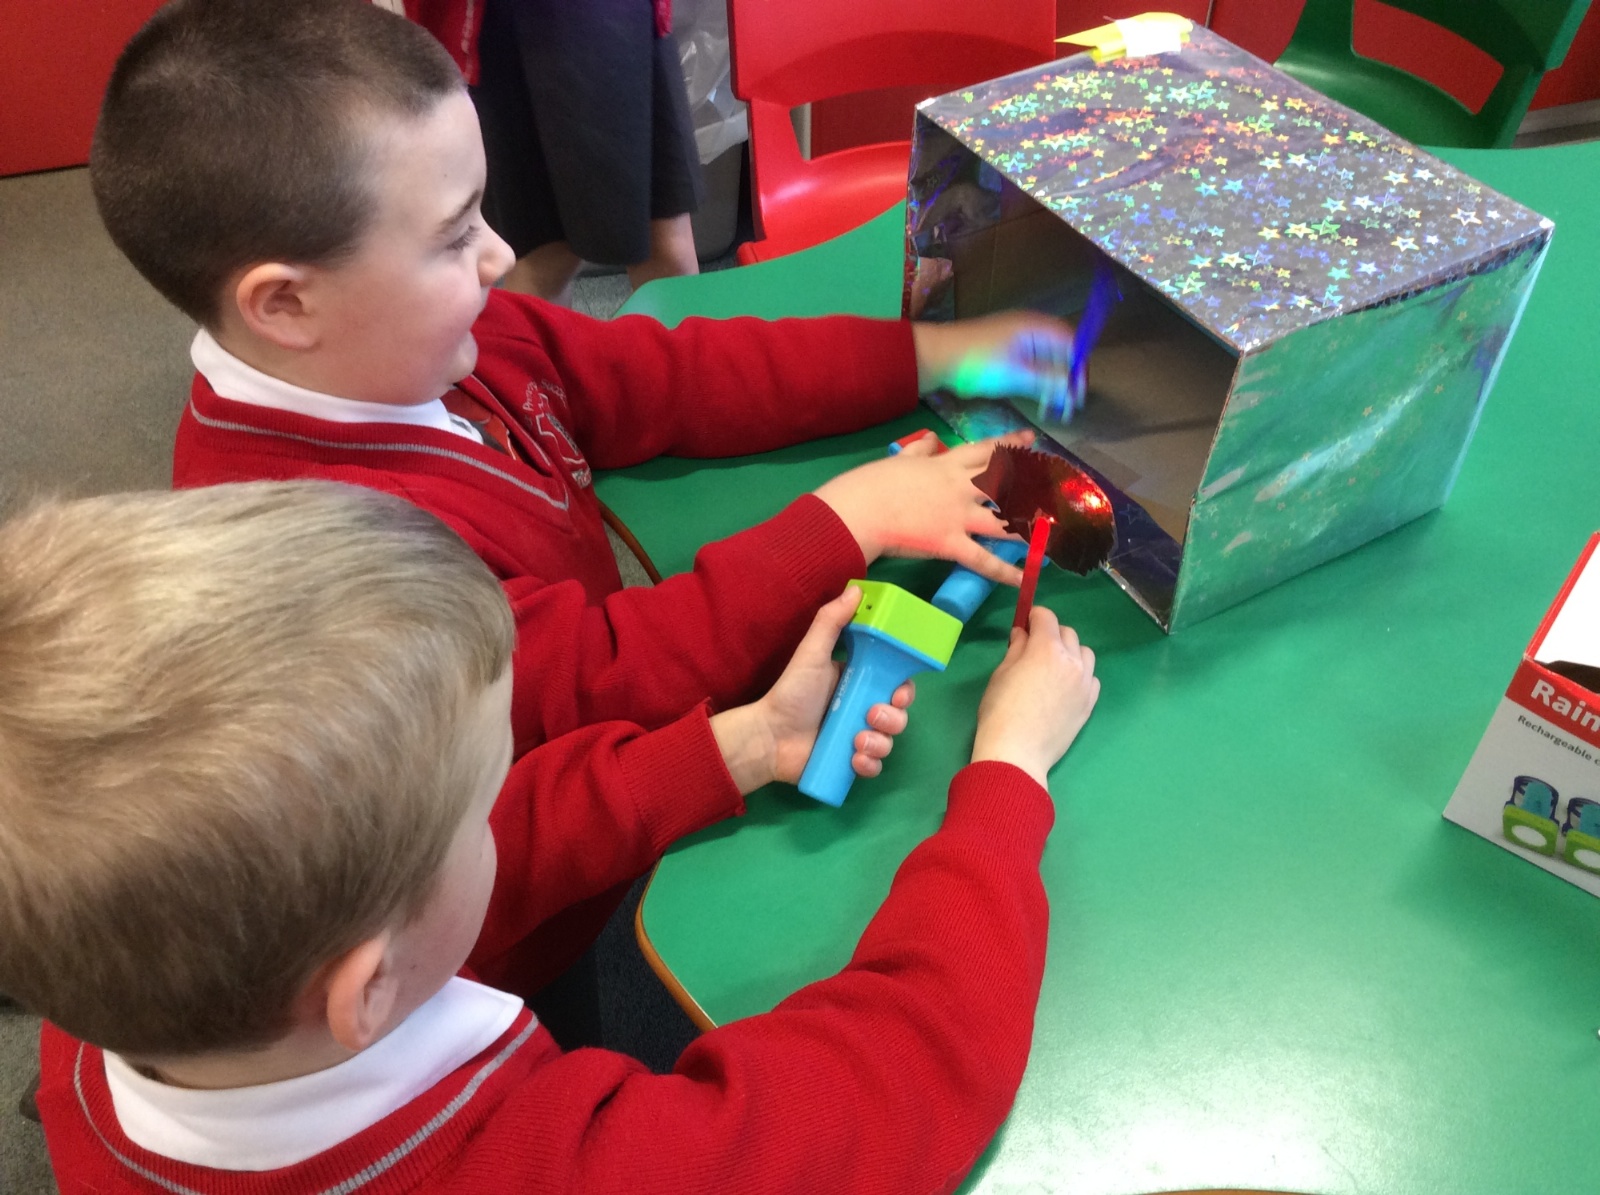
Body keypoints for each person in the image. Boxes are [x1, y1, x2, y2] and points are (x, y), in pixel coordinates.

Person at [90, 0, 1076, 997]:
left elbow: (674, 377)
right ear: (285, 303)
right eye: (452, 236)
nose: (496, 254)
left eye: (481, 212)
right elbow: (593, 676)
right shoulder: (318, 558)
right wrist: (852, 519)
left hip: (628, 781)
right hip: (501, 938)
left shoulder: (440, 339)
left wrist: (930, 353)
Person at [9, 481, 1101, 1193]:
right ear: (365, 988)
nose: (508, 797)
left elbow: (501, 848)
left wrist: (741, 745)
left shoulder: (108, 982)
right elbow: (904, 1079)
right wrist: (1008, 771)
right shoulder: (568, 1170)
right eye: (485, 786)